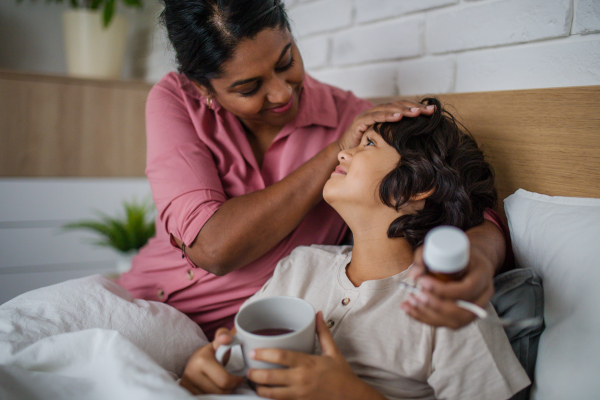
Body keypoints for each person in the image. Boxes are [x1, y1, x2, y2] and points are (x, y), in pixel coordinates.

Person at [116, 0, 508, 340]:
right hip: (139, 303)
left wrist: (477, 256)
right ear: (203, 89)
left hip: (231, 337)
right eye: (249, 88)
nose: (282, 92)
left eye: (287, 61)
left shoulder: (355, 122)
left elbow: (457, 193)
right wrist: (332, 152)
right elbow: (213, 249)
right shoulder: (177, 99)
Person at [179, 98, 530, 400]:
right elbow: (234, 360)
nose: (343, 151)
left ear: (418, 184)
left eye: (370, 145)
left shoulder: (444, 309)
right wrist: (201, 374)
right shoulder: (301, 266)